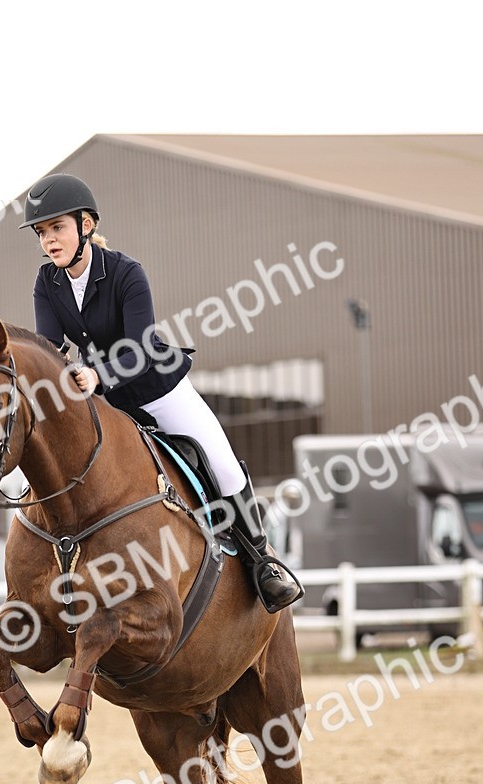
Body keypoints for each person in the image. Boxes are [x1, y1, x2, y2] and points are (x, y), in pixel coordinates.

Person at [20, 172, 301, 612]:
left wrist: (94, 373)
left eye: (57, 228)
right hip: (106, 401)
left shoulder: (127, 273)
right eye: (41, 232)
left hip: (157, 387)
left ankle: (263, 563)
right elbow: (51, 349)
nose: (48, 240)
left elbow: (140, 350)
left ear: (86, 225)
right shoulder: (47, 283)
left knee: (223, 466)